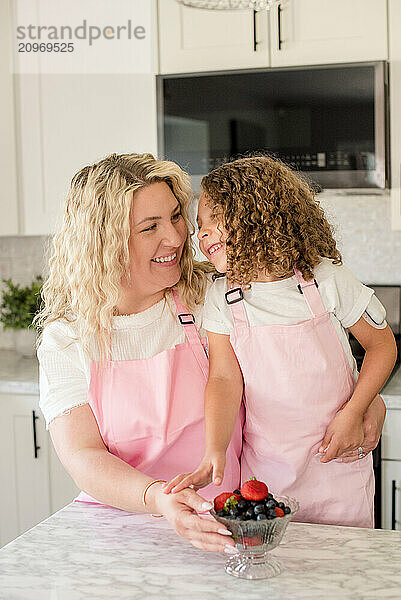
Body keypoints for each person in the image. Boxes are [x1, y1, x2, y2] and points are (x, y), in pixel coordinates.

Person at [163, 155, 397, 528]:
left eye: (212, 221)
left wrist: (355, 411)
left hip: (338, 459)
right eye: (199, 227)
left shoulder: (325, 279)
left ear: (259, 217)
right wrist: (214, 449)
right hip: (269, 468)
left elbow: (383, 346)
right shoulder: (221, 296)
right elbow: (224, 379)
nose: (201, 234)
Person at [35, 152, 243, 555]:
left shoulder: (210, 298)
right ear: (104, 243)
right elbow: (83, 454)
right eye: (150, 227)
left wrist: (361, 399)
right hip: (121, 532)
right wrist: (158, 498)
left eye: (177, 215)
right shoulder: (68, 338)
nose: (178, 237)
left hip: (224, 522)